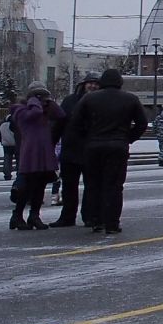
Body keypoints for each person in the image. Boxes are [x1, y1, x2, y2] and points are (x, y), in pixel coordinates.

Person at [65, 68, 147, 235]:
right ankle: (112, 222)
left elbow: (75, 122)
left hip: (93, 146)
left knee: (93, 184)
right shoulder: (130, 99)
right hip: (118, 147)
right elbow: (142, 123)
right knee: (115, 186)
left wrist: (86, 139)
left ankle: (95, 220)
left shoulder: (89, 98)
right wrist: (127, 138)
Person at [49, 73, 98, 228]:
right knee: (69, 186)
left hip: (91, 149)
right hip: (71, 149)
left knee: (91, 186)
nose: (93, 86)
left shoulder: (100, 102)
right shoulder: (70, 101)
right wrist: (52, 142)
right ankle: (67, 216)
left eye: (96, 84)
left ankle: (89, 216)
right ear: (83, 85)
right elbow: (59, 123)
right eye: (90, 83)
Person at [8, 87, 60, 230]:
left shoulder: (44, 111)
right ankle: (17, 216)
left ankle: (34, 216)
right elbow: (34, 113)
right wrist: (33, 100)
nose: (44, 101)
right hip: (31, 153)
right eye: (42, 98)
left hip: (44, 152)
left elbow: (61, 115)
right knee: (28, 186)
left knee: (40, 186)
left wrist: (50, 103)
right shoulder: (21, 110)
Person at [0, 104, 18, 180]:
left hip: (6, 144)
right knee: (18, 159)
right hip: (15, 144)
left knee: (7, 160)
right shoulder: (15, 123)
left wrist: (2, 141)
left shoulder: (2, 124)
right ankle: (19, 172)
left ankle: (7, 174)